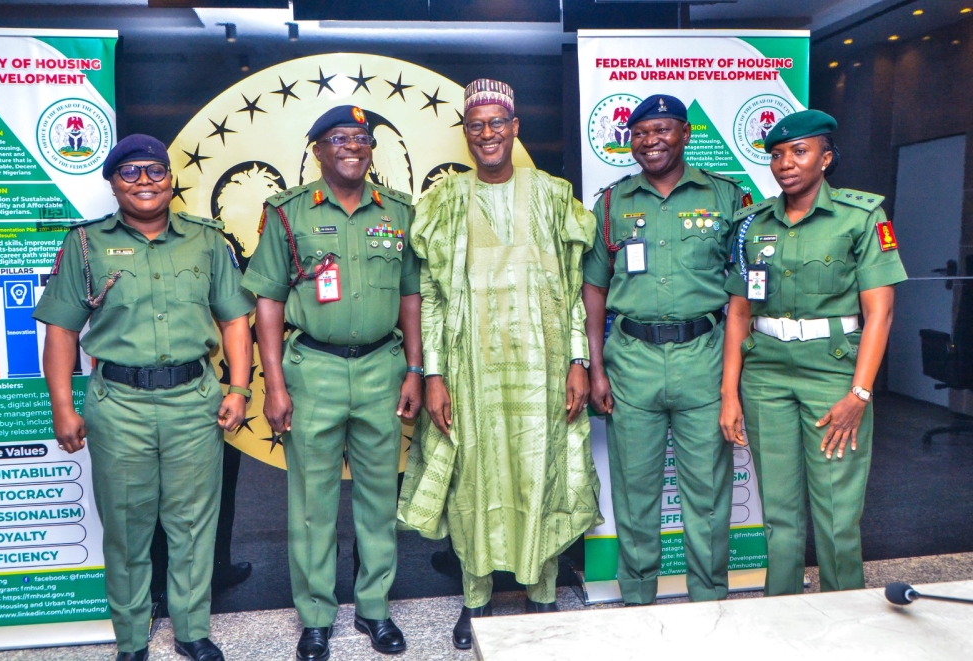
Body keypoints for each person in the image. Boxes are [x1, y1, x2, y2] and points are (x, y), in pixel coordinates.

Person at [397, 78, 602, 650]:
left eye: (497, 123)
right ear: (466, 135)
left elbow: (571, 287)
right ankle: (477, 603)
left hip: (544, 367)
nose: (487, 134)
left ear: (515, 128)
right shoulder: (445, 200)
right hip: (469, 370)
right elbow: (432, 294)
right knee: (474, 482)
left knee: (542, 474)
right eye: (476, 125)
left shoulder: (554, 194)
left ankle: (541, 599)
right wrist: (433, 373)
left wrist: (579, 361)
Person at [34, 135, 254, 661]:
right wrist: (63, 406)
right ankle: (132, 641)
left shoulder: (206, 241)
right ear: (112, 183)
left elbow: (234, 319)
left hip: (193, 401)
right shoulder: (85, 245)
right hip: (119, 406)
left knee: (193, 526)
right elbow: (62, 331)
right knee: (127, 529)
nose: (144, 182)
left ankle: (192, 631)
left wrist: (240, 388)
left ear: (170, 178)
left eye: (154, 171)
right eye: (129, 173)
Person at [242, 105, 422, 661]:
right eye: (339, 138)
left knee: (376, 500)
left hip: (381, 368)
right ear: (317, 149)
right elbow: (268, 300)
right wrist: (272, 383)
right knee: (313, 504)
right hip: (312, 369)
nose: (353, 146)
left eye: (362, 138)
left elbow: (412, 295)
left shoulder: (398, 212)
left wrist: (414, 368)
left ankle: (375, 610)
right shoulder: (288, 212)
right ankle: (316, 616)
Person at [720, 110, 906, 595]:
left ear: (825, 158)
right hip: (765, 376)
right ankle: (781, 611)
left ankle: (845, 618)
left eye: (799, 152)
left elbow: (879, 313)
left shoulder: (862, 217)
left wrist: (859, 394)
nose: (786, 163)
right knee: (778, 514)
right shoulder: (752, 223)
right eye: (777, 154)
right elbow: (738, 313)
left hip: (833, 376)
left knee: (836, 511)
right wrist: (729, 394)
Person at [582, 95, 745, 606]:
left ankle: (710, 598)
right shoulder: (612, 203)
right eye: (640, 132)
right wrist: (596, 367)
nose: (650, 140)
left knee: (709, 495)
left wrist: (731, 380)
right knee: (634, 493)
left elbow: (742, 292)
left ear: (685, 133)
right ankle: (636, 598)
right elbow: (594, 290)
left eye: (662, 129)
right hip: (632, 360)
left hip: (704, 357)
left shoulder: (725, 197)